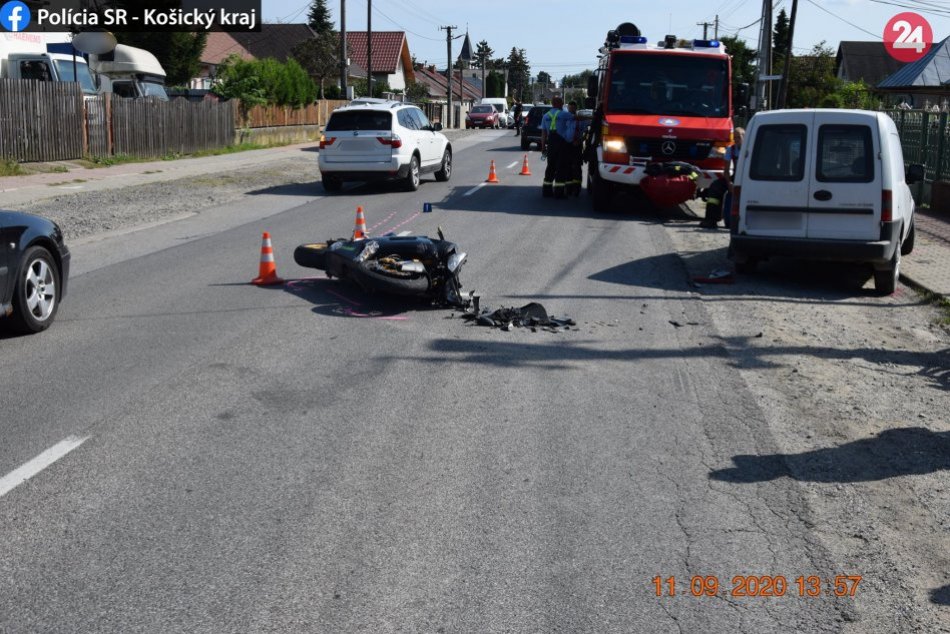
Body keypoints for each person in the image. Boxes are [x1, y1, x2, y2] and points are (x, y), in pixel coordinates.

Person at [701, 126, 745, 229]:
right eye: (735, 137)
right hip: (735, 177)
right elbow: (726, 171)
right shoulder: (731, 149)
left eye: (738, 137)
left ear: (745, 137)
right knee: (715, 187)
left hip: (747, 179)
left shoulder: (751, 149)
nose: (736, 140)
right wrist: (729, 183)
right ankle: (711, 219)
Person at [540, 96, 566, 198]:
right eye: (562, 103)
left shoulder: (546, 116)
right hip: (561, 144)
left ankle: (547, 191)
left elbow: (543, 133)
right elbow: (575, 119)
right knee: (560, 168)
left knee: (550, 167)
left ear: (552, 104)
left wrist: (543, 147)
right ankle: (559, 193)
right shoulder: (564, 114)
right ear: (559, 104)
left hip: (551, 144)